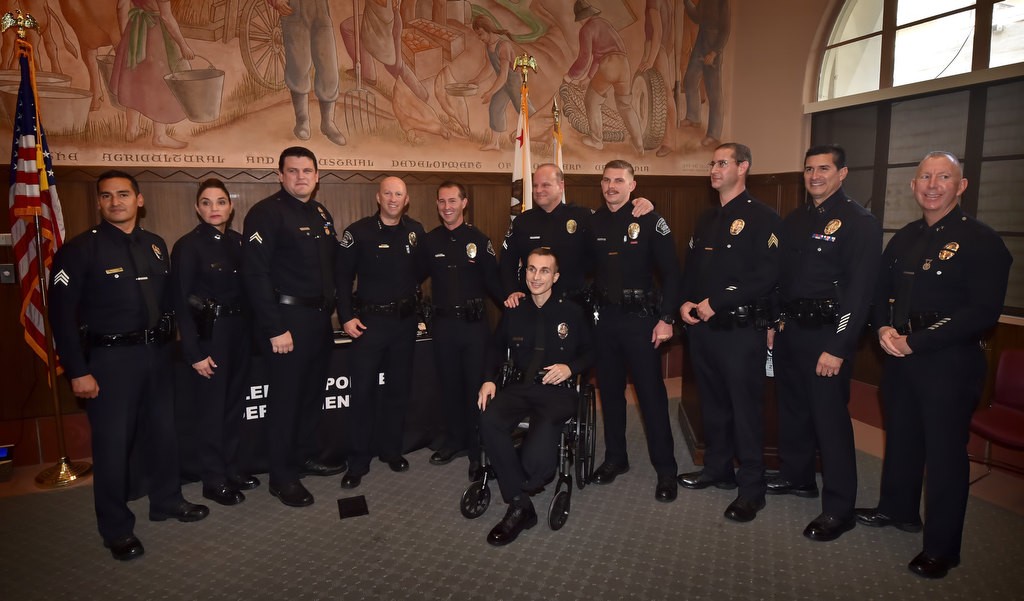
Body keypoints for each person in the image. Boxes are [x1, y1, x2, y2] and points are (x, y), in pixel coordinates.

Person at [857, 152, 1011, 579]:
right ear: (913, 186)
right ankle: (898, 510)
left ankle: (943, 549)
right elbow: (879, 292)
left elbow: (982, 312)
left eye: (944, 177)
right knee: (902, 438)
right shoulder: (904, 237)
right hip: (900, 355)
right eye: (925, 176)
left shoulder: (981, 240)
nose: (932, 184)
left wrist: (916, 342)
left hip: (948, 361)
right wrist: (884, 331)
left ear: (961, 186)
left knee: (945, 456)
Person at [49, 170, 209, 561]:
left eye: (123, 195)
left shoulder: (155, 246)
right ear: (99, 203)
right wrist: (77, 371)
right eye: (106, 196)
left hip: (157, 355)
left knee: (164, 435)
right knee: (113, 447)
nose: (115, 202)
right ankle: (116, 528)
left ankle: (167, 501)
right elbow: (60, 314)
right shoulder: (80, 249)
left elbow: (171, 303)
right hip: (109, 361)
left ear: (139, 200)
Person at [771, 144, 882, 541]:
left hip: (828, 333)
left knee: (829, 421)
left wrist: (839, 346)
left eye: (823, 169)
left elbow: (860, 293)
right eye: (808, 169)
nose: (814, 176)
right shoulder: (796, 219)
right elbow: (782, 279)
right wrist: (776, 320)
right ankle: (798, 478)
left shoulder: (859, 222)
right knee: (794, 410)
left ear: (842, 173)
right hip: (792, 331)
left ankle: (840, 508)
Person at [677, 143, 780, 522]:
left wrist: (715, 301)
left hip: (739, 330)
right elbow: (693, 270)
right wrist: (684, 303)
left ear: (743, 167)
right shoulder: (707, 218)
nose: (715, 169)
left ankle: (751, 489)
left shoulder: (763, 218)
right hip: (704, 330)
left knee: (745, 410)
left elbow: (766, 276)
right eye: (713, 163)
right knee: (714, 405)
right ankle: (717, 469)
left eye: (723, 163)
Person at [241, 146, 345, 508]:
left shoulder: (320, 213)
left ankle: (302, 457)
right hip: (286, 323)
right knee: (285, 402)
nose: (301, 177)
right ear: (280, 175)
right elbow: (255, 275)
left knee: (311, 396)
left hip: (318, 322)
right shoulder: (265, 214)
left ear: (317, 177)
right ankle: (282, 476)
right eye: (293, 171)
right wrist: (273, 328)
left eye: (307, 171)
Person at [478, 248, 594, 546]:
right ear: (524, 273)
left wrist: (570, 367)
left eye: (544, 271)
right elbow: (494, 348)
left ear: (555, 276)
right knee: (488, 420)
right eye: (531, 269)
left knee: (535, 465)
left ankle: (520, 477)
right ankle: (520, 505)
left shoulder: (572, 312)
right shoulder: (514, 309)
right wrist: (489, 381)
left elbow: (593, 352)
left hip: (557, 393)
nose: (536, 277)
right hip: (519, 387)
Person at [587, 160, 680, 502]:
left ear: (632, 184)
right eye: (607, 180)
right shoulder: (592, 222)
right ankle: (616, 459)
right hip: (604, 322)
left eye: (619, 180)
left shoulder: (651, 220)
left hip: (642, 322)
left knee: (652, 398)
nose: (611, 186)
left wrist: (667, 318)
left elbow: (672, 274)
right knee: (609, 395)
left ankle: (666, 471)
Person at [171, 179, 258, 506]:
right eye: (206, 203)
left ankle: (231, 469)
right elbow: (180, 302)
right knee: (211, 410)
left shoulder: (238, 242)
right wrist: (193, 352)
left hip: (240, 332)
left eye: (220, 202)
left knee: (235, 405)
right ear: (197, 207)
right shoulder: (188, 246)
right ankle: (213, 479)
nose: (213, 209)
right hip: (210, 334)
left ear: (230, 207)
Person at [336, 176, 426, 489]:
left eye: (398, 194)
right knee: (362, 393)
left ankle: (391, 450)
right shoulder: (357, 232)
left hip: (403, 324)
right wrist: (346, 317)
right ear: (378, 197)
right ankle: (358, 460)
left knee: (397, 391)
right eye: (387, 193)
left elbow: (422, 272)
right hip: (368, 325)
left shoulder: (416, 232)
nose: (392, 198)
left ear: (406, 199)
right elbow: (342, 278)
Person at [421, 181, 503, 479]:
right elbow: (412, 278)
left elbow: (494, 284)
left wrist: (515, 303)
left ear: (464, 203)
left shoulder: (479, 240)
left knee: (475, 388)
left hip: (473, 328)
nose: (447, 207)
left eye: (452, 200)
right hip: (443, 326)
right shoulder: (430, 242)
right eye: (442, 201)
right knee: (450, 387)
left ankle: (476, 449)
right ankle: (454, 441)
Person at [500, 163, 653, 309]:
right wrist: (511, 291)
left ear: (561, 186)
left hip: (574, 306)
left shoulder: (583, 217)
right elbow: (506, 263)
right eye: (535, 185)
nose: (539, 190)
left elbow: (612, 221)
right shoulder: (522, 221)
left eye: (545, 185)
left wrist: (645, 203)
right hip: (532, 305)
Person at [109, 0, 195, 149]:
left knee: (134, 79)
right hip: (156, 35)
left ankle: (131, 130)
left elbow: (121, 6)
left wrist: (126, 36)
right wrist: (183, 44)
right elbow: (167, 17)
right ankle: (160, 136)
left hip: (134, 30)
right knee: (160, 84)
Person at [563, 0, 645, 154]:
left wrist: (570, 76)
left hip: (609, 65)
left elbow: (584, 58)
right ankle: (639, 143)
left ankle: (596, 140)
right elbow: (598, 57)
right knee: (625, 105)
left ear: (581, 18)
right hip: (623, 65)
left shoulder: (586, 29)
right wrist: (588, 77)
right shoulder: (604, 24)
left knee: (591, 101)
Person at [268, 0, 347, 145]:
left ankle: (328, 123)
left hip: (321, 9)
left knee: (329, 67)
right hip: (294, 9)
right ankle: (302, 120)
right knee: (298, 65)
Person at [468, 16, 533, 152]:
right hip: (502, 84)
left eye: (480, 34)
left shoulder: (503, 46)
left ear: (488, 30)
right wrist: (476, 80)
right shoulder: (488, 46)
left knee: (525, 111)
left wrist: (490, 92)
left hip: (513, 83)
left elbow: (504, 75)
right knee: (495, 108)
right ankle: (495, 143)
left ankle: (544, 137)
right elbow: (489, 67)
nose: (480, 38)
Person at [681, 0, 730, 147]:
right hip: (701, 43)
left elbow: (725, 30)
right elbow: (697, 17)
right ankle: (693, 117)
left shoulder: (723, 2)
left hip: (713, 48)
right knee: (690, 80)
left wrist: (714, 52)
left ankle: (714, 134)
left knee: (713, 92)